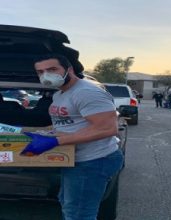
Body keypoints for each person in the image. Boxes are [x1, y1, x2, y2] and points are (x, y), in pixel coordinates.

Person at [21, 54, 123, 219]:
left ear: (69, 70)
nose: (45, 75)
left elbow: (107, 128)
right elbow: (67, 122)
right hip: (75, 158)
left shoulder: (86, 92)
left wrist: (55, 141)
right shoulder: (60, 94)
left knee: (79, 213)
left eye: (52, 69)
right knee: (69, 204)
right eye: (40, 72)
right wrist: (41, 131)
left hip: (94, 160)